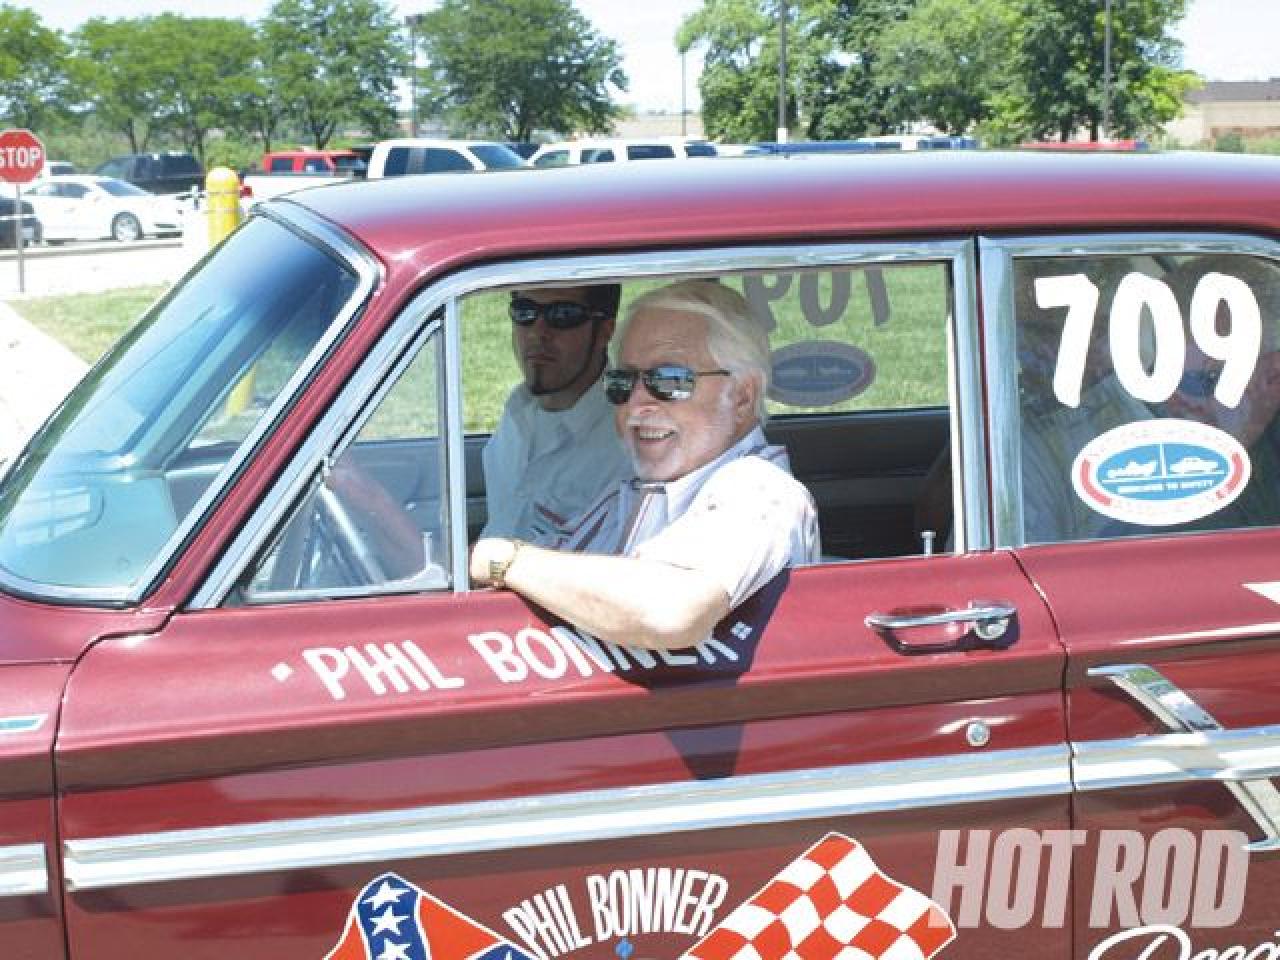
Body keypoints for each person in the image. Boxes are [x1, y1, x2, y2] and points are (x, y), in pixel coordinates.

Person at [471, 279, 820, 651]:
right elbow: (553, 557)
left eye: (669, 380)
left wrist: (505, 560)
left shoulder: (759, 490)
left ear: (742, 396)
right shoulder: (634, 494)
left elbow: (671, 612)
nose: (636, 404)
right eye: (623, 381)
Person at [481, 284, 631, 543]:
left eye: (563, 315)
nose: (537, 333)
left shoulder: (626, 445)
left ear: (605, 331)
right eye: (524, 312)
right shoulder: (518, 411)